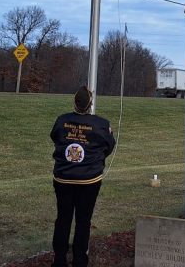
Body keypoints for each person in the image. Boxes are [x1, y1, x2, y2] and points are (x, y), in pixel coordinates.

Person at [50, 86, 116, 267]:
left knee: (63, 219)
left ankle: (59, 260)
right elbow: (109, 145)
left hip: (64, 178)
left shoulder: (62, 120)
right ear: (90, 104)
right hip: (89, 180)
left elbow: (55, 137)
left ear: (74, 102)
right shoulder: (102, 124)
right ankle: (79, 261)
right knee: (83, 220)